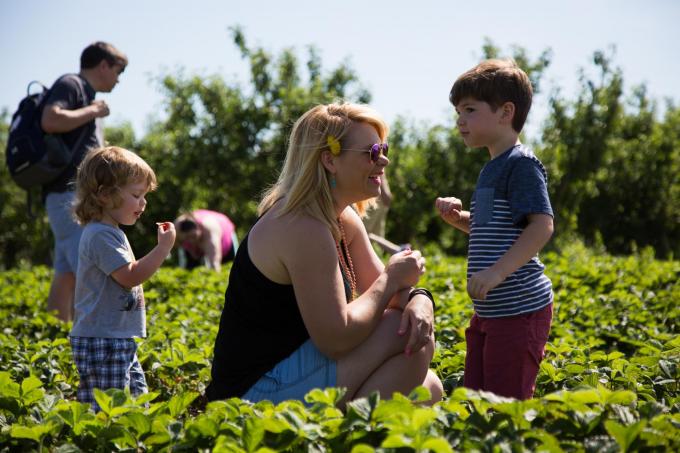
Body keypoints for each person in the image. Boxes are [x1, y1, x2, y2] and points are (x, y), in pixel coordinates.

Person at [206, 103, 443, 407]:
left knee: (429, 386)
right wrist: (392, 277)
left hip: (289, 370)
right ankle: (340, 437)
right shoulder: (302, 225)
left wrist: (420, 298)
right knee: (403, 335)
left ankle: (346, 431)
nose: (383, 160)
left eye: (383, 148)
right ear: (330, 160)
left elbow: (395, 296)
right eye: (371, 151)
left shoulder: (342, 218)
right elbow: (336, 338)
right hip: (250, 394)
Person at [436, 59, 554, 400]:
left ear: (505, 112)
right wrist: (460, 221)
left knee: (505, 403)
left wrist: (496, 273)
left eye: (469, 109)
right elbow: (494, 230)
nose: (460, 120)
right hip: (490, 311)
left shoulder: (521, 164)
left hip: (519, 309)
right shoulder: (492, 168)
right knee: (474, 396)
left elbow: (542, 226)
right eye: (458, 111)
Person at [69, 146, 176, 412]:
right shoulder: (100, 235)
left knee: (135, 404)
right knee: (107, 412)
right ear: (105, 195)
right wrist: (163, 248)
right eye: (136, 195)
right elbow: (130, 276)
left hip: (116, 337)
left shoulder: (111, 232)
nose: (143, 203)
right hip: (103, 340)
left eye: (144, 195)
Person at [41, 41, 128, 322]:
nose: (118, 78)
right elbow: (51, 119)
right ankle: (93, 335)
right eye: (118, 70)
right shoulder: (71, 84)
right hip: (69, 195)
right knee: (88, 268)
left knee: (65, 271)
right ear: (103, 65)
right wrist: (94, 111)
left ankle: (52, 337)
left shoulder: (84, 92)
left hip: (66, 195)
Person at [174, 210, 238, 272]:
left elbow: (214, 263)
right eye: (187, 238)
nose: (191, 242)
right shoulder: (178, 225)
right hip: (194, 240)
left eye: (193, 237)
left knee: (232, 269)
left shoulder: (210, 229)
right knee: (189, 268)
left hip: (225, 239)